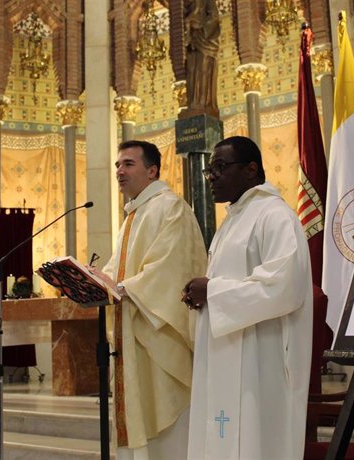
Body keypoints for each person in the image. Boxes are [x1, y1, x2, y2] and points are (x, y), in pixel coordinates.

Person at [183, 136, 313, 459]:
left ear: (251, 169)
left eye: (220, 167)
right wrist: (203, 295)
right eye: (209, 171)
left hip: (261, 363)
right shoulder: (231, 223)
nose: (211, 176)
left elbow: (284, 287)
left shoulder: (275, 216)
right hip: (225, 357)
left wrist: (212, 291)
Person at [91, 140, 208, 460]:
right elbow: (117, 272)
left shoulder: (170, 207)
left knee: (167, 423)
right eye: (117, 165)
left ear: (152, 170)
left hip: (158, 333)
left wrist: (125, 287)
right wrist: (96, 278)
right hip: (134, 332)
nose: (119, 171)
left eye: (128, 164)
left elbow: (171, 268)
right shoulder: (133, 216)